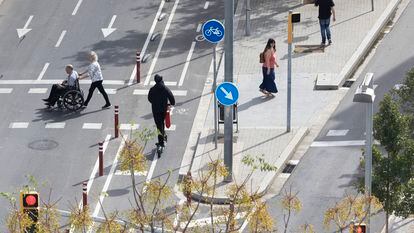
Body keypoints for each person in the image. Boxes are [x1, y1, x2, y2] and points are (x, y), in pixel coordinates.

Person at [148, 74, 175, 151]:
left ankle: (161, 141)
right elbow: (172, 99)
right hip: (163, 109)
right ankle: (162, 138)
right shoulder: (165, 88)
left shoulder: (152, 89)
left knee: (159, 126)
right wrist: (170, 104)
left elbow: (149, 98)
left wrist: (155, 102)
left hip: (155, 110)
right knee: (161, 123)